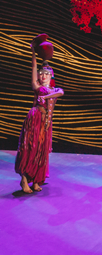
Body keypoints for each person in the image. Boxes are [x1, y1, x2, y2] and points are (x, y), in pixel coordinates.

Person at [15, 47, 64, 193]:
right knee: (31, 148)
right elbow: (33, 67)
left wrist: (46, 97)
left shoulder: (54, 90)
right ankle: (24, 180)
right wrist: (33, 53)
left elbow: (61, 93)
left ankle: (37, 180)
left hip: (46, 123)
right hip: (35, 119)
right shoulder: (37, 86)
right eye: (41, 73)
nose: (43, 75)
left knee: (42, 151)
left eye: (46, 74)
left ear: (51, 76)